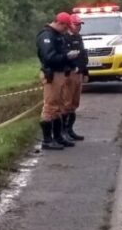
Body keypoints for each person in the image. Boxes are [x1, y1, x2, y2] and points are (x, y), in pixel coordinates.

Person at [36, 12, 77, 150]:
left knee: (58, 107)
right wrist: (66, 57)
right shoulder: (46, 36)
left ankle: (58, 137)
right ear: (59, 23)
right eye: (66, 28)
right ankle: (47, 140)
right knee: (50, 107)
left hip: (60, 74)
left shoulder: (58, 35)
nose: (66, 31)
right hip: (51, 74)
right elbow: (49, 57)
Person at [62, 13, 87, 141]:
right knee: (66, 103)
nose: (78, 27)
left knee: (74, 104)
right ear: (69, 25)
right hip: (69, 74)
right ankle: (63, 131)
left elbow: (83, 55)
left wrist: (84, 70)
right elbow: (65, 57)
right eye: (76, 25)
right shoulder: (64, 38)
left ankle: (70, 129)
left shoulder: (79, 38)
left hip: (79, 74)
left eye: (79, 25)